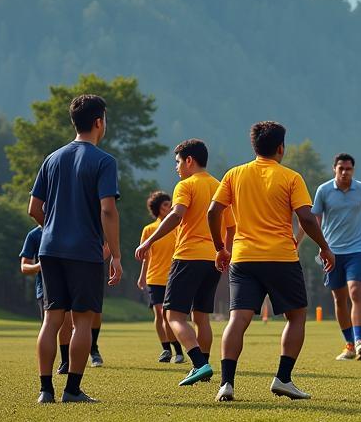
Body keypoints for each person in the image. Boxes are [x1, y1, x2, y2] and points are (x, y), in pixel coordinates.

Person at [207, 121, 334, 402]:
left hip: (243, 258)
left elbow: (213, 212)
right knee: (297, 315)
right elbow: (307, 217)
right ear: (280, 148)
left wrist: (220, 248)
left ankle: (226, 384)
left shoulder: (234, 175)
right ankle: (283, 378)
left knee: (237, 319)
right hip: (280, 258)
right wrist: (324, 248)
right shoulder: (290, 177)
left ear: (254, 146)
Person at [27, 93, 122, 403]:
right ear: (99, 122)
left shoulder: (52, 158)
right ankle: (72, 390)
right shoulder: (104, 161)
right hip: (84, 251)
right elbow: (107, 209)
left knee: (52, 319)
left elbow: (34, 208)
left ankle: (44, 390)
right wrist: (116, 254)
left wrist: (54, 227)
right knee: (82, 319)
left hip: (50, 249)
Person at [135, 138, 235, 387]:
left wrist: (148, 242)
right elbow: (231, 227)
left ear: (189, 160)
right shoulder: (220, 186)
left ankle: (199, 364)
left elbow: (176, 216)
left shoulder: (186, 185)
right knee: (202, 316)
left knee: (173, 315)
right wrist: (224, 251)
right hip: (212, 259)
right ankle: (204, 364)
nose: (177, 168)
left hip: (188, 256)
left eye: (178, 162)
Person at [310, 154, 361, 361]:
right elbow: (314, 219)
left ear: (353, 170)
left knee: (356, 291)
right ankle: (349, 345)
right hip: (331, 252)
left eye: (348, 169)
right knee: (339, 299)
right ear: (334, 169)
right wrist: (318, 246)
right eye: (341, 168)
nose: (344, 172)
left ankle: (359, 341)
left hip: (356, 251)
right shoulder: (323, 191)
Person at [19, 223, 73, 373]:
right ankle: (46, 369)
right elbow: (24, 267)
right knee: (49, 326)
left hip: (67, 285)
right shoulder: (34, 235)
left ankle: (65, 362)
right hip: (44, 288)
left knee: (67, 322)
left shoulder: (66, 229)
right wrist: (41, 265)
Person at [137, 190, 181, 363]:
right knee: (160, 313)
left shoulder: (177, 227)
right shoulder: (149, 230)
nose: (169, 207)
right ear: (157, 208)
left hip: (173, 276)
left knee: (170, 314)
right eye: (165, 205)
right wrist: (142, 277)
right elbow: (145, 256)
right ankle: (166, 349)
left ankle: (178, 350)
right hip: (154, 277)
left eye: (170, 204)